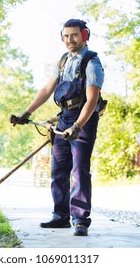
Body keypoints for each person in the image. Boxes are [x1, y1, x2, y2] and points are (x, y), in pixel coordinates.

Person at [12, 19, 104, 236]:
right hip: (64, 119)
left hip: (84, 120)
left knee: (79, 170)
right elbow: (46, 90)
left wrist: (78, 126)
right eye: (66, 36)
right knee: (59, 170)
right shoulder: (63, 61)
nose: (70, 40)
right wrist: (26, 114)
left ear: (84, 35)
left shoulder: (92, 63)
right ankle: (60, 216)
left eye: (74, 35)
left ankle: (80, 220)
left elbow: (92, 100)